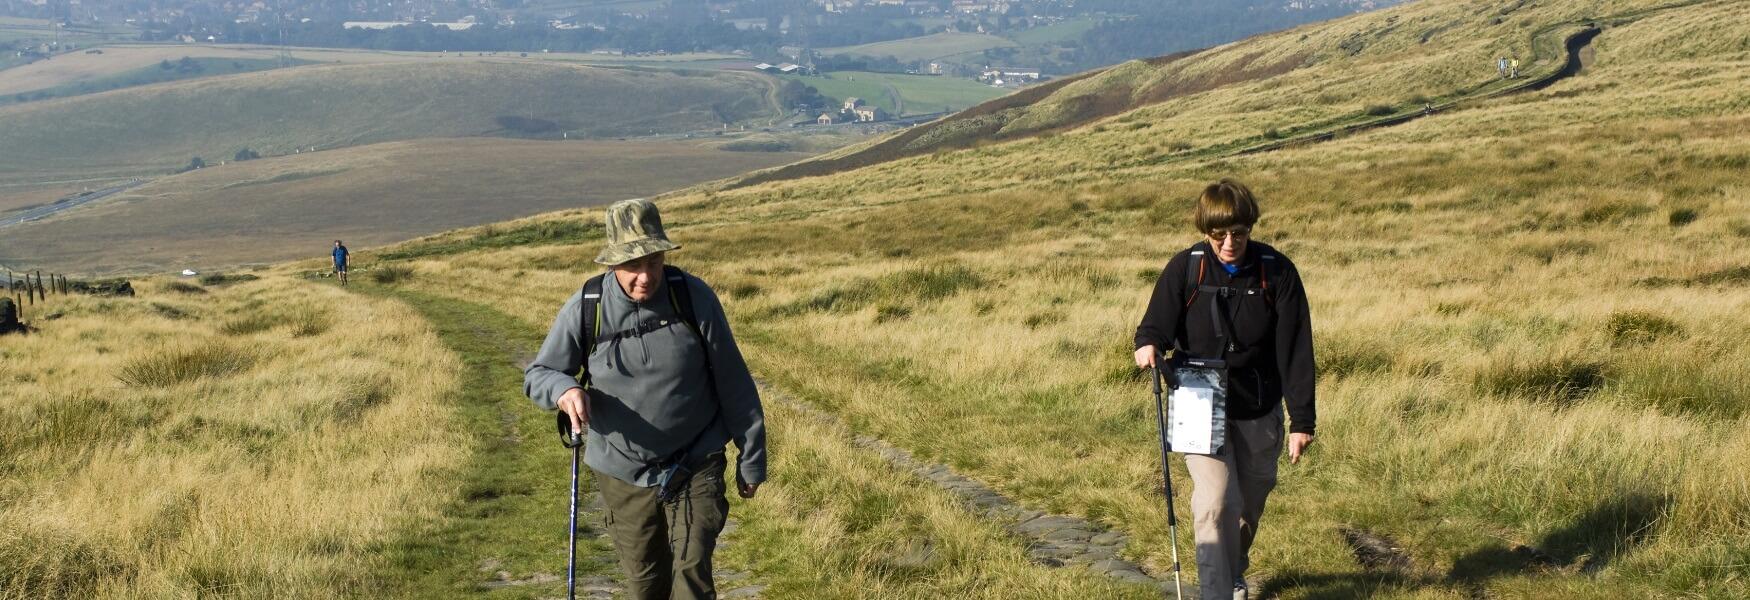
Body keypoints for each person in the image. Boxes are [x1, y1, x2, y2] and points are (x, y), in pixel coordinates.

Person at [524, 198, 767, 600]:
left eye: (652, 262)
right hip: (623, 473)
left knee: (692, 575)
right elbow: (539, 374)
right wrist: (564, 390)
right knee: (646, 586)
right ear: (612, 265)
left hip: (696, 461)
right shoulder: (588, 306)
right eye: (632, 266)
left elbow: (734, 381)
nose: (645, 276)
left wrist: (752, 457)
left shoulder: (692, 297)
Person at [1133, 179, 1316, 600]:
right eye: (1219, 234)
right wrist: (1148, 346)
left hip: (1258, 405)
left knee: (1248, 502)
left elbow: (1296, 349)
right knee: (1216, 502)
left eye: (1239, 232)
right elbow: (1154, 326)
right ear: (1205, 231)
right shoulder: (1186, 268)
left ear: (1250, 228)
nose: (1230, 242)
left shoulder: (1278, 271)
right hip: (1197, 401)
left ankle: (1234, 570)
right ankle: (1215, 592)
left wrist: (1301, 420)